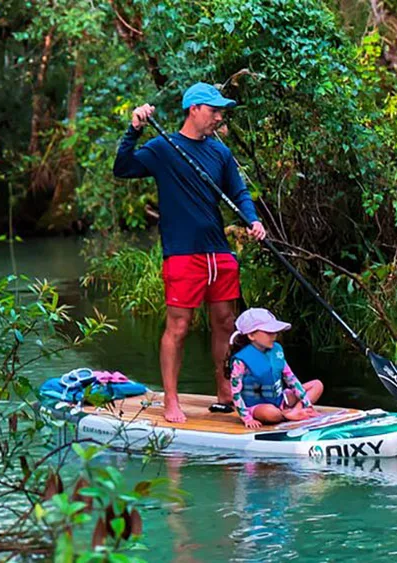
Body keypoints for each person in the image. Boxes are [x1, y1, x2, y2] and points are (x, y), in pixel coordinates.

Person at [113, 82, 268, 423]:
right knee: (179, 327)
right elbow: (122, 168)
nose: (219, 117)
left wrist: (252, 220)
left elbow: (239, 192)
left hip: (219, 252)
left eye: (221, 112)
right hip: (183, 254)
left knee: (225, 323)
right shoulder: (164, 148)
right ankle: (171, 398)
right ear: (194, 109)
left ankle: (225, 389)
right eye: (214, 111)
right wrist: (134, 129)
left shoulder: (220, 153)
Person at [226, 308, 324, 428]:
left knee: (317, 385)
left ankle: (298, 411)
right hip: (258, 407)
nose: (274, 336)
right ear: (251, 335)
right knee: (270, 413)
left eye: (275, 332)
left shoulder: (276, 350)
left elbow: (291, 379)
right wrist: (247, 418)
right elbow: (235, 393)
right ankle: (288, 415)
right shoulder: (241, 361)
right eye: (269, 332)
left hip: (280, 399)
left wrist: (306, 404)